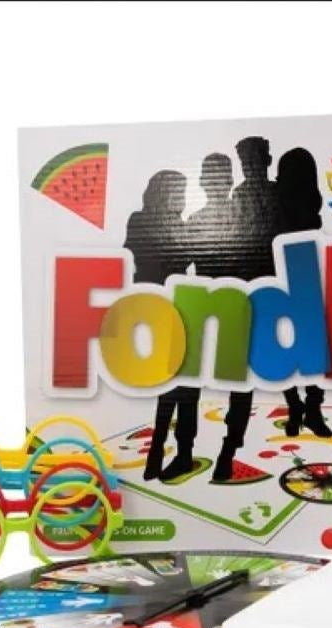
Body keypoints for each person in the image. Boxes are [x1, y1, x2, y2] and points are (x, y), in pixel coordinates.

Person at [208, 137, 280, 482]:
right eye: (244, 160)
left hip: (280, 293)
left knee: (292, 367)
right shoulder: (237, 197)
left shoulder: (279, 194)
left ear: (266, 160)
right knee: (244, 378)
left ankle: (304, 414)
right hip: (246, 295)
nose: (249, 165)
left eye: (253, 158)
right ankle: (230, 447)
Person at [124, 170, 200, 481]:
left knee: (177, 388)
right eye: (178, 192)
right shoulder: (154, 223)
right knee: (181, 387)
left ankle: (163, 452)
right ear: (164, 193)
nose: (182, 199)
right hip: (162, 312)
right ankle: (174, 452)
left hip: (157, 312)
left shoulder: (142, 221)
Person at [275, 147, 332, 438]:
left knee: (285, 344)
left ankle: (299, 408)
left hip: (287, 273)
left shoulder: (280, 202)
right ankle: (308, 408)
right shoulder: (311, 205)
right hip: (303, 272)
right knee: (309, 347)